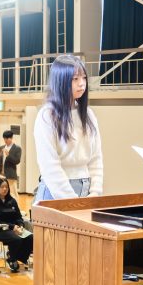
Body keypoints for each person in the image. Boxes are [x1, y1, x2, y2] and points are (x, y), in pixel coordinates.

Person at [34, 55, 103, 200]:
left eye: (84, 78)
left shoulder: (88, 114)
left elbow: (96, 158)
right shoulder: (47, 115)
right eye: (75, 79)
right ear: (61, 81)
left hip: (86, 187)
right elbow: (49, 165)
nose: (82, 84)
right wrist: (70, 200)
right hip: (56, 192)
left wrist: (95, 192)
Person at [0, 176, 33, 272]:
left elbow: (18, 216)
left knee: (30, 237)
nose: (5, 189)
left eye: (6, 187)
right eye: (2, 187)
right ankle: (12, 259)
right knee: (16, 239)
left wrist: (20, 226)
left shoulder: (12, 200)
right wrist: (12, 227)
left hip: (14, 228)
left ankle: (18, 257)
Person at [0, 130, 23, 195]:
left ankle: (15, 203)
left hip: (10, 175)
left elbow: (17, 161)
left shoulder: (17, 148)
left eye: (7, 138)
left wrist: (8, 156)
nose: (5, 140)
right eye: (4, 138)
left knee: (13, 194)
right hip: (0, 175)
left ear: (12, 138)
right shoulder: (1, 147)